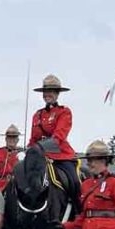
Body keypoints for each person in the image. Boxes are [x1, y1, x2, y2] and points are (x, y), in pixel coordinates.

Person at [28, 74, 80, 204]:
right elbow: (33, 139)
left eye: (51, 91)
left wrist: (39, 148)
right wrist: (28, 151)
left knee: (74, 183)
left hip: (60, 156)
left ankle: (77, 209)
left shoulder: (64, 112)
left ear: (57, 94)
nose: (48, 94)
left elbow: (58, 137)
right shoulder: (37, 115)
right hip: (39, 157)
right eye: (46, 91)